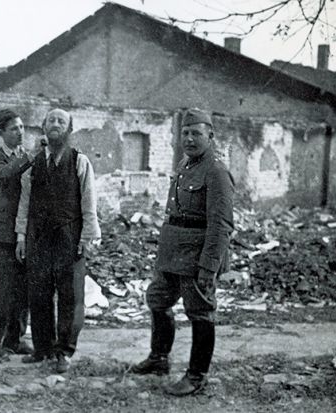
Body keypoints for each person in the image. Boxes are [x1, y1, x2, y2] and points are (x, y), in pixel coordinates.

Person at [131, 108, 234, 396]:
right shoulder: (185, 165)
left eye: (196, 133)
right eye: (185, 133)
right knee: (157, 300)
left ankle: (197, 376)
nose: (189, 139)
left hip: (196, 257)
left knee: (200, 313)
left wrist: (208, 267)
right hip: (172, 253)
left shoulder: (216, 171)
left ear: (210, 136)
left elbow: (221, 225)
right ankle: (159, 358)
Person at [15, 108, 101, 373]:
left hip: (69, 238)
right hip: (39, 239)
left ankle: (64, 351)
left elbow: (89, 202)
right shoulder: (34, 163)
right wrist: (21, 236)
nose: (55, 124)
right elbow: (25, 202)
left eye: (61, 121)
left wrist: (87, 237)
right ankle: (43, 349)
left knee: (70, 297)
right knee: (39, 295)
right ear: (43, 127)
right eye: (51, 120)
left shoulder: (79, 161)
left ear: (68, 129)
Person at [0, 109, 42, 363]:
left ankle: (14, 339)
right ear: (2, 133)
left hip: (26, 231)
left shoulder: (27, 156)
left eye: (22, 127)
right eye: (14, 128)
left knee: (22, 289)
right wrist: (29, 159)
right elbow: (3, 176)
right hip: (4, 231)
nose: (21, 132)